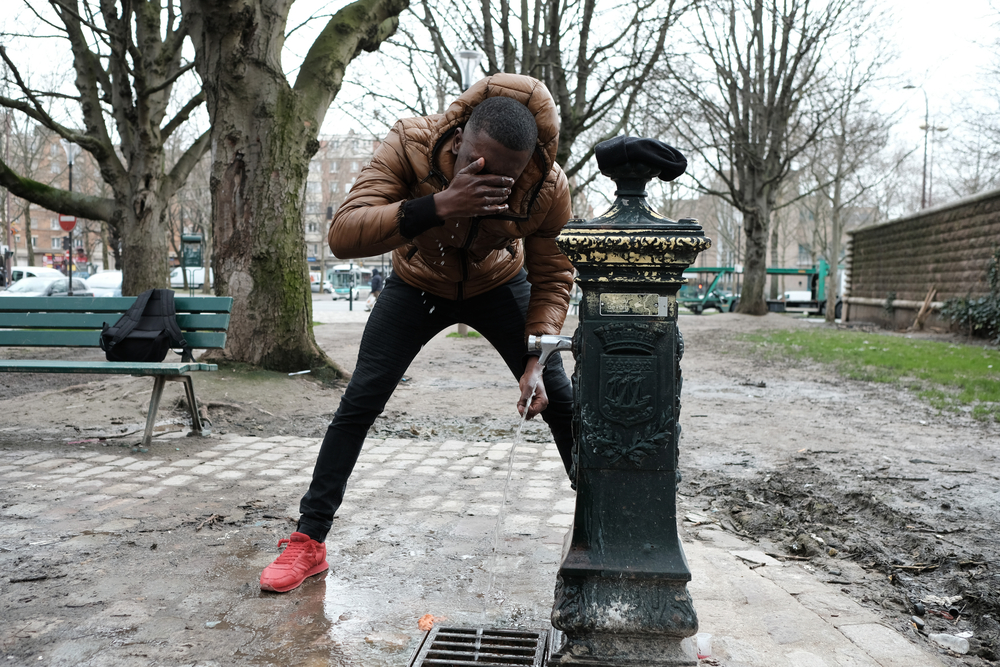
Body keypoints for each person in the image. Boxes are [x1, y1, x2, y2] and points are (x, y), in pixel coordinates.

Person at [259, 74, 576, 593]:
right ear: (458, 136)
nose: (485, 177)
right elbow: (343, 233)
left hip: (499, 283)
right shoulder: (411, 142)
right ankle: (308, 541)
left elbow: (554, 274)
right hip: (417, 282)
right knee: (360, 398)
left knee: (559, 396)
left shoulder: (546, 186)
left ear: (527, 165)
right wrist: (439, 205)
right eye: (474, 163)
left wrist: (537, 358)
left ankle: (600, 524)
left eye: (504, 176)